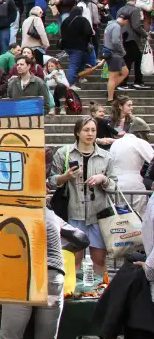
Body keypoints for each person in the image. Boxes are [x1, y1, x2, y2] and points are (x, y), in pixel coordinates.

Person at [0, 209, 89, 339]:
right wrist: (60, 244)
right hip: (52, 277)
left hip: (21, 279)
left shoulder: (7, 211)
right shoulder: (50, 214)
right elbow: (82, 239)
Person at [48, 117, 117, 276]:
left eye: (93, 130)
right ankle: (73, 290)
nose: (90, 134)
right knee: (74, 260)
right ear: (78, 132)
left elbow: (114, 186)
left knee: (99, 260)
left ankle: (101, 290)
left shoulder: (106, 156)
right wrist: (66, 177)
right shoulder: (64, 153)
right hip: (73, 213)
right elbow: (51, 181)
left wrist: (103, 179)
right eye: (86, 130)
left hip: (99, 215)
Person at [109, 132, 153, 217]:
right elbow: (152, 158)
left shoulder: (116, 143)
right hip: (134, 184)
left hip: (116, 183)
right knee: (138, 217)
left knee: (122, 217)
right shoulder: (139, 142)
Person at [118, 0, 149, 90]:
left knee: (131, 58)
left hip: (122, 36)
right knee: (133, 59)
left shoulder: (120, 9)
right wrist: (145, 34)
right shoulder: (135, 10)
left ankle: (132, 81)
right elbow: (136, 26)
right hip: (131, 37)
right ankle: (128, 82)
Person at [104, 10, 131, 102]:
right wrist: (122, 51)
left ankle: (110, 90)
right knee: (113, 76)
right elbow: (116, 41)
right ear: (126, 20)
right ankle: (110, 99)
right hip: (114, 54)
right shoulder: (116, 26)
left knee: (125, 72)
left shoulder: (110, 25)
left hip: (111, 52)